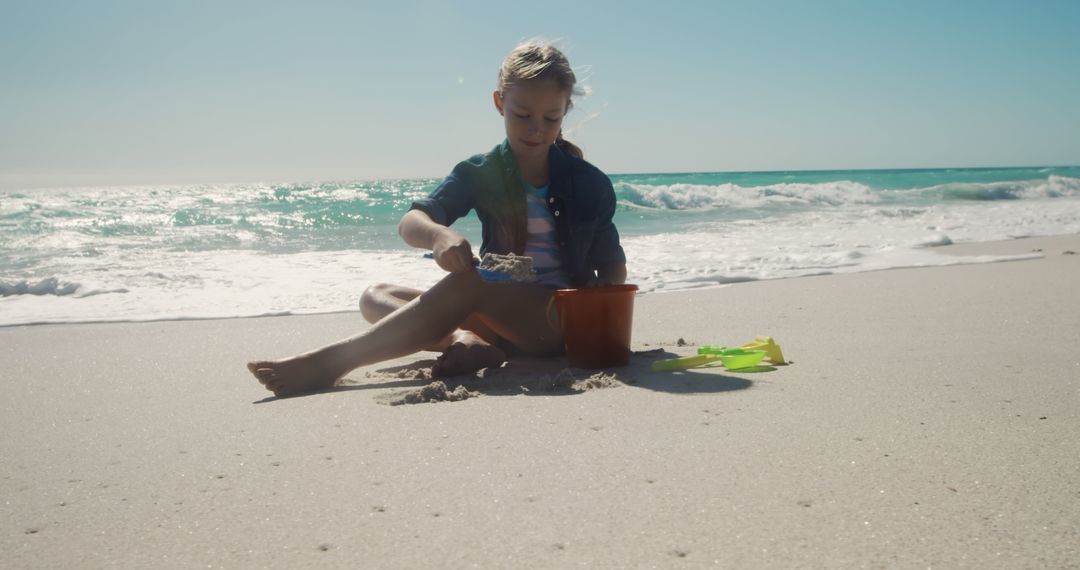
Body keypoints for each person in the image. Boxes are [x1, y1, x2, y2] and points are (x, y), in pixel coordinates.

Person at [247, 40, 627, 397]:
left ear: (565, 113)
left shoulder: (588, 183)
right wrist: (438, 237)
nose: (537, 128)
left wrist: (602, 311)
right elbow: (413, 220)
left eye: (551, 117)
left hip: (555, 324)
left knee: (469, 283)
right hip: (497, 318)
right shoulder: (481, 171)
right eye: (523, 114)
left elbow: (612, 265)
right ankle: (467, 342)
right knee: (376, 296)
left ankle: (331, 362)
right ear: (499, 102)